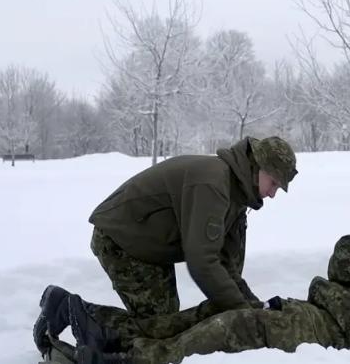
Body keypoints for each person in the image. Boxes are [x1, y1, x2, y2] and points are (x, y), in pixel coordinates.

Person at [35, 184, 350, 364]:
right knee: (217, 311)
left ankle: (130, 357)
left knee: (245, 325)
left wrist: (348, 274)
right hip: (331, 318)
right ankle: (100, 325)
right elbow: (349, 265)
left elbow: (344, 255)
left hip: (340, 330)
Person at [80, 136, 298, 321]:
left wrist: (254, 308)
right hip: (120, 237)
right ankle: (75, 316)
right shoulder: (213, 184)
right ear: (258, 167)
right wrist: (242, 314)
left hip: (149, 246)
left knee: (165, 322)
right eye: (274, 183)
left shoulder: (238, 195)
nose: (272, 194)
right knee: (158, 326)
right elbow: (202, 261)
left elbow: (226, 262)